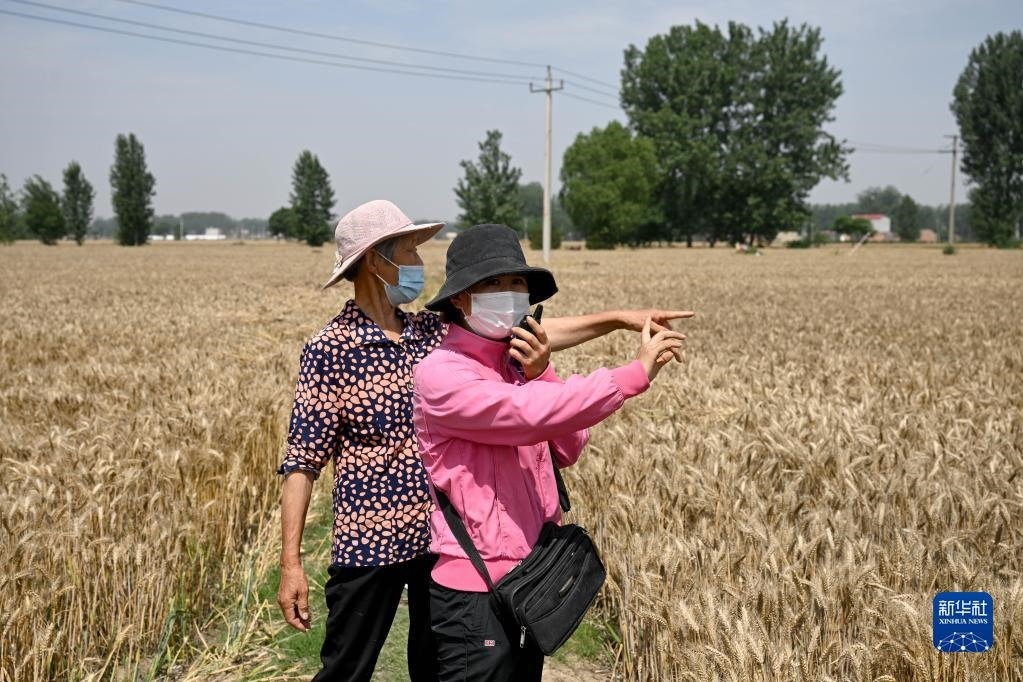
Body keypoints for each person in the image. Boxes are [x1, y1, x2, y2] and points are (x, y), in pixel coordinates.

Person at [276, 200, 693, 682]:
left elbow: (530, 332)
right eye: (410, 251)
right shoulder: (331, 349)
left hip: (442, 533)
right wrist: (291, 562)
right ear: (375, 260)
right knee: (347, 670)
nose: (420, 262)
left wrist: (618, 319)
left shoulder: (427, 331)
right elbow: (302, 459)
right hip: (371, 538)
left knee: (435, 671)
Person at [413, 224, 687, 681]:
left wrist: (541, 372)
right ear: (460, 298)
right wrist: (633, 374)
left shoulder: (516, 365)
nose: (509, 293)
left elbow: (568, 446)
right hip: (475, 590)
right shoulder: (442, 374)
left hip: (531, 578)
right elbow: (531, 414)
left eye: (516, 282)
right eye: (492, 283)